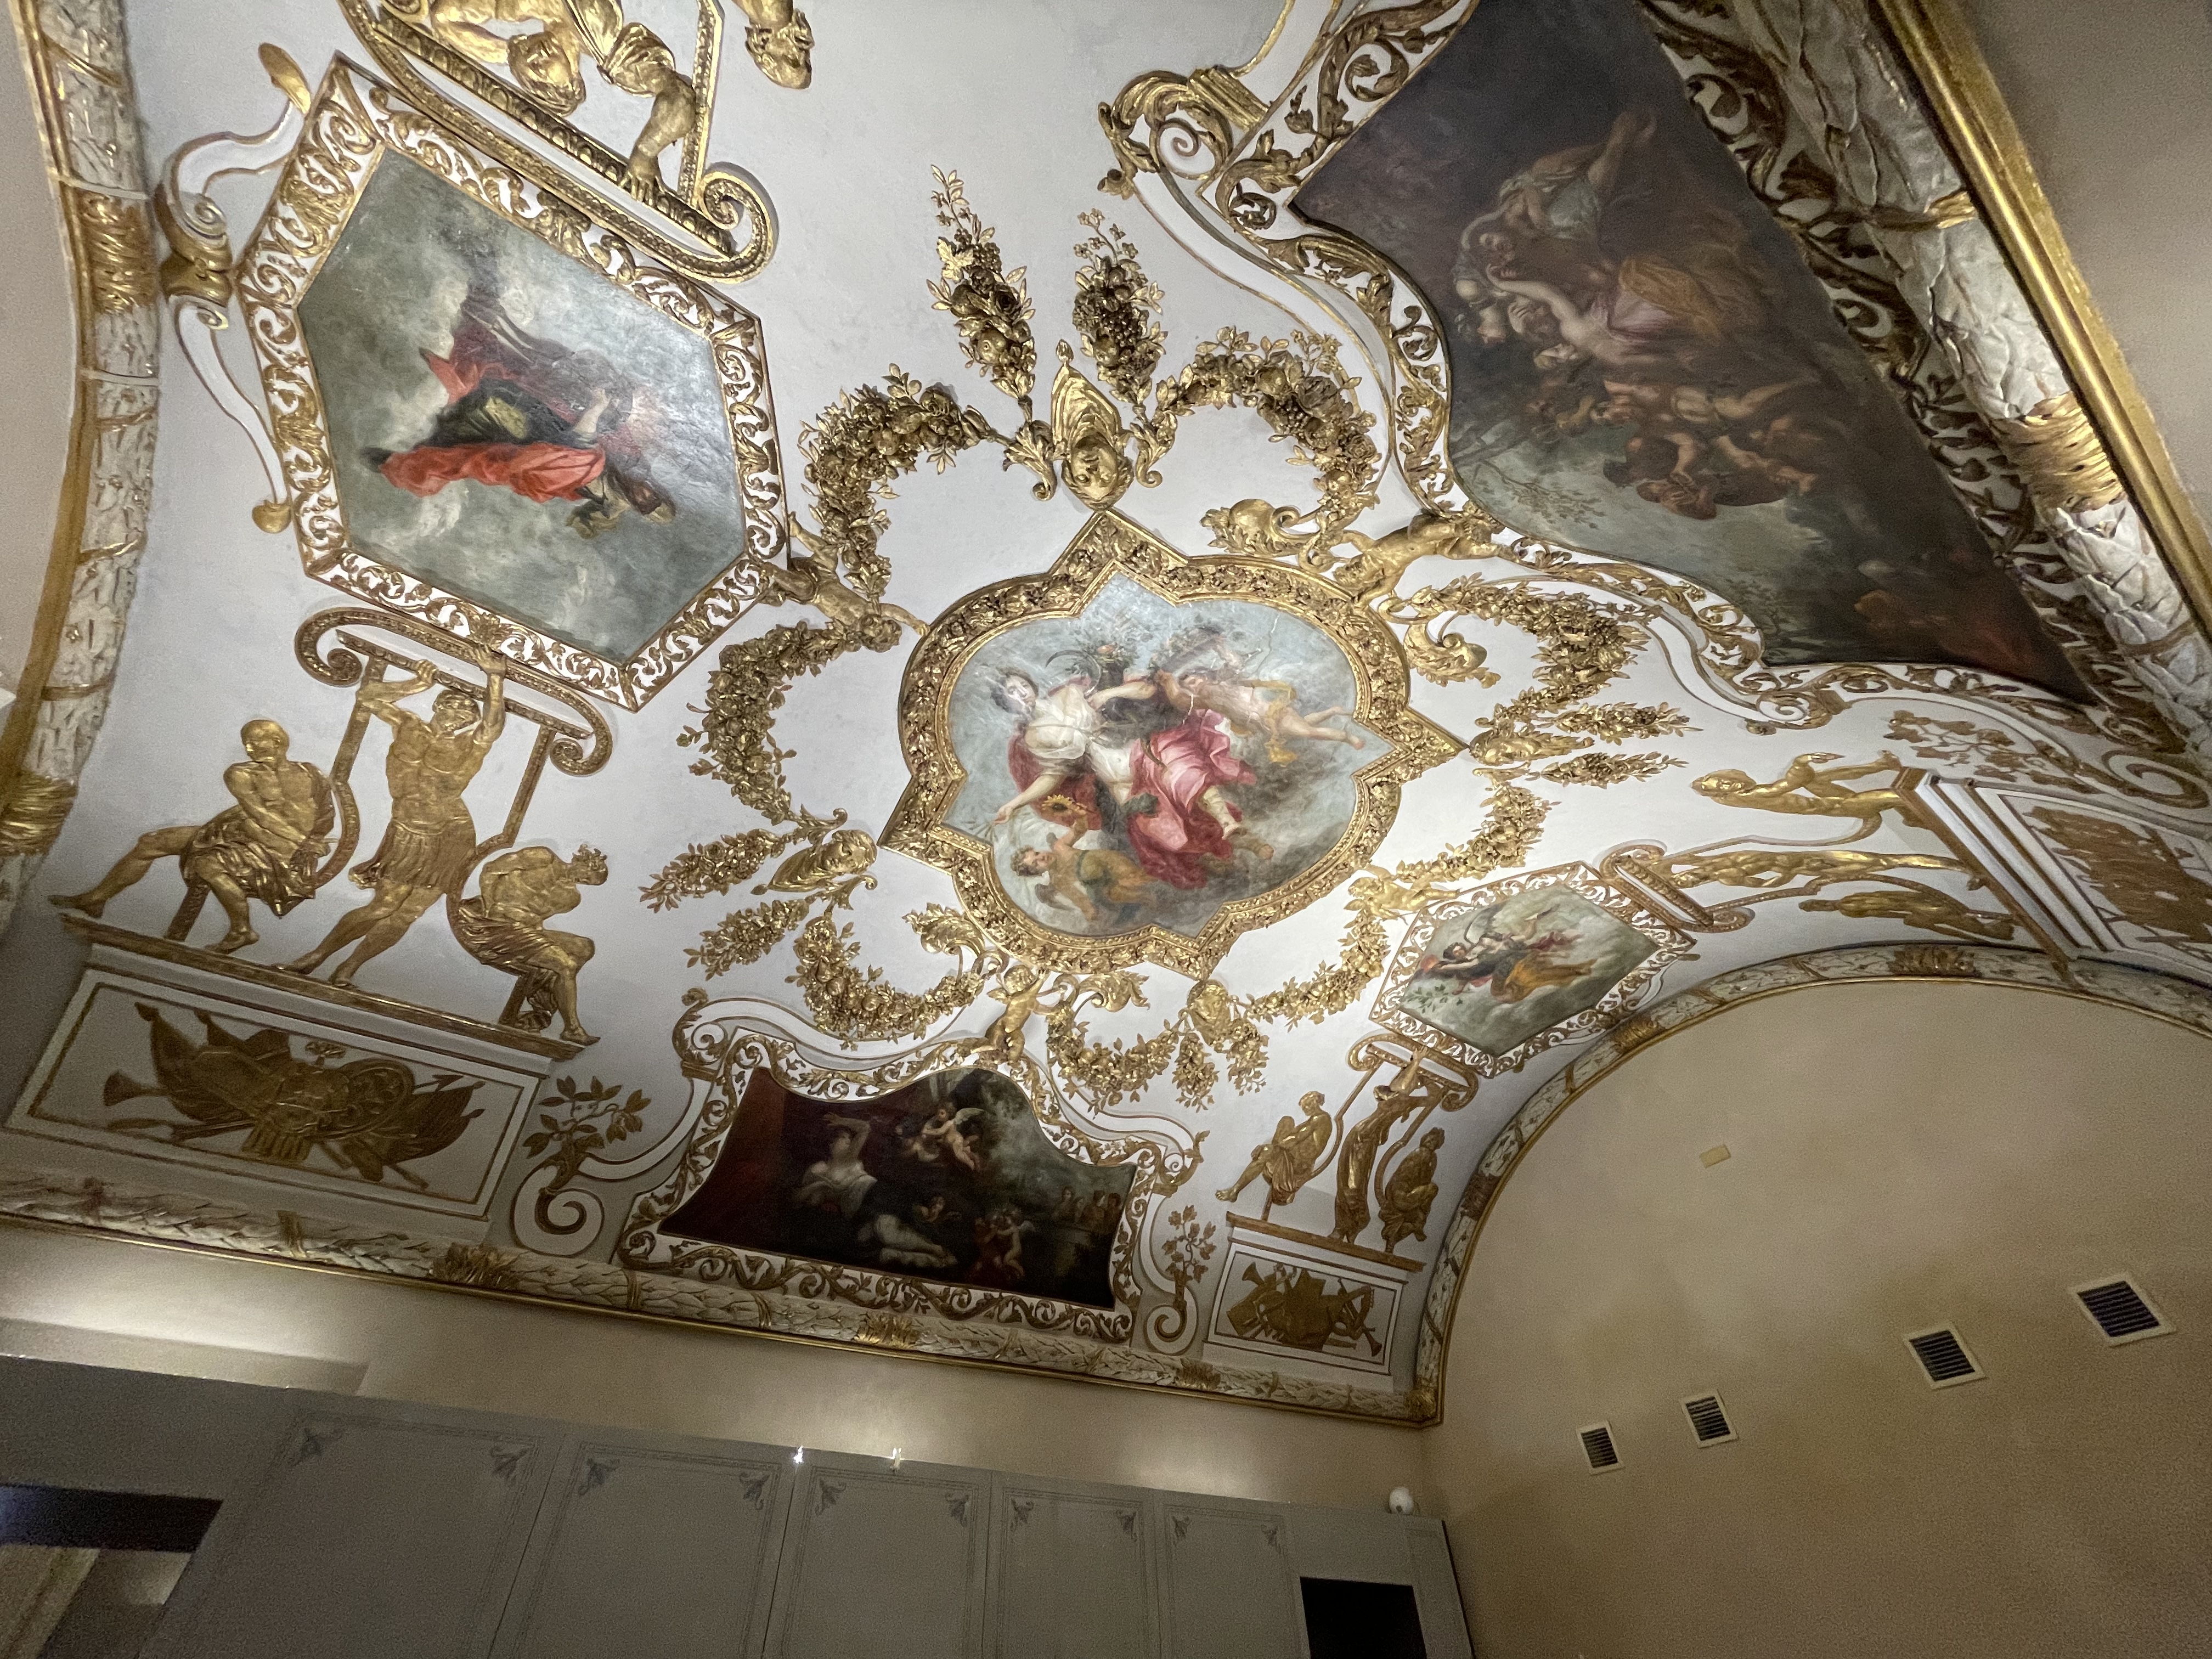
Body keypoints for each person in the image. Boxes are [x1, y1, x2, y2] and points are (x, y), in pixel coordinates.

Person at [368, 274, 672, 538]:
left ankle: (402, 463)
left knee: (492, 453)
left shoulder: (612, 499)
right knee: (512, 377)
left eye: (647, 504)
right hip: (553, 435)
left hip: (549, 455)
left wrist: (596, 408)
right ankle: (481, 311)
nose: (644, 495)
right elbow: (613, 437)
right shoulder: (634, 468)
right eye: (653, 494)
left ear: (641, 510)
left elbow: (580, 456)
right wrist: (603, 407)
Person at [285, 655, 505, 986]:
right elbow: (367, 697)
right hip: (408, 828)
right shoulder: (408, 725)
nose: (458, 713)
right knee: (383, 905)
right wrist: (416, 684)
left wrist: (495, 679)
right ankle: (317, 955)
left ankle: (349, 968)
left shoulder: (468, 745)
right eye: (453, 704)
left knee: (409, 912)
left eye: (467, 711)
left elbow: (493, 726)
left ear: (470, 720)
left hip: (452, 833)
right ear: (438, 706)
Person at [52, 719, 331, 954]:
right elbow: (260, 815)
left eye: (255, 742)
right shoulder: (240, 773)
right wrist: (304, 839)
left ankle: (241, 930)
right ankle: (96, 898)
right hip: (239, 834)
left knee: (207, 864)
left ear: (277, 741)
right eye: (246, 743)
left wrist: (311, 841)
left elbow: (325, 813)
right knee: (152, 841)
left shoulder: (310, 772)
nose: (249, 748)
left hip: (276, 849)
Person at [448, 844, 608, 1045]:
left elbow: (536, 921)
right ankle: (573, 1028)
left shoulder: (571, 898)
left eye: (588, 883)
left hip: (520, 932)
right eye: (587, 876)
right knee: (566, 965)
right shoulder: (542, 857)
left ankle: (555, 985)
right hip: (490, 921)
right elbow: (491, 870)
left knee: (585, 947)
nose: (583, 882)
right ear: (584, 862)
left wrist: (538, 933)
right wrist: (489, 907)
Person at [1011, 825, 1159, 927]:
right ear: (1038, 873)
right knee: (1115, 894)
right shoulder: (1058, 881)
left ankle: (1161, 878)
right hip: (1105, 883)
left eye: (1037, 854)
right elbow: (1080, 900)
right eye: (1036, 864)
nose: (1041, 857)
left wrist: (1078, 818)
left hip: (1109, 862)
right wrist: (1090, 913)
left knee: (1136, 879)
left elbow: (1078, 830)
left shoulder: (1060, 847)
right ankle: (1150, 902)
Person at [1215, 1091, 1334, 1208]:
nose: (1305, 1109)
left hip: (1299, 1165)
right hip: (1293, 1157)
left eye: (1307, 1105)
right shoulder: (1313, 1120)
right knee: (1287, 1121)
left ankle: (1234, 1191)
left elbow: (1296, 1138)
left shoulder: (1321, 1119)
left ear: (1315, 1102)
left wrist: (1270, 1148)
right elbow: (1293, 1138)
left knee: (1268, 1148)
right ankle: (1269, 1154)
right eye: (1303, 1107)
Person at [794, 1115, 877, 1217]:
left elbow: (865, 1128)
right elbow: (796, 1199)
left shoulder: (851, 1165)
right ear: (831, 1144)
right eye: (843, 1137)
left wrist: (842, 1121)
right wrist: (819, 1185)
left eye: (850, 1139)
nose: (849, 1141)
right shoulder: (818, 1169)